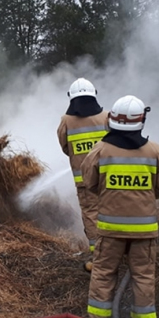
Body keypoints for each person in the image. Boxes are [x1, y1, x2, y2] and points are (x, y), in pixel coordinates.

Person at [80, 95, 159, 318]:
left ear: (112, 120)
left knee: (102, 275)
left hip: (110, 231)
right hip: (144, 231)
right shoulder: (155, 151)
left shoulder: (100, 150)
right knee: (143, 277)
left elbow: (89, 182)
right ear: (141, 120)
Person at [57, 78, 109, 270]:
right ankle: (119, 251)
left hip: (85, 182)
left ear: (71, 98)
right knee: (114, 212)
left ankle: (99, 258)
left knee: (92, 215)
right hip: (109, 177)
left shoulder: (66, 121)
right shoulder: (106, 117)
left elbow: (65, 147)